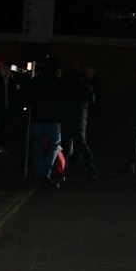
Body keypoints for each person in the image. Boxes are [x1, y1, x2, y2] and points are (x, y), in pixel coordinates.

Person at [26, 57, 64, 185]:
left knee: (36, 147)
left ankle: (36, 173)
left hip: (37, 118)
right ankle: (45, 172)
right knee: (53, 147)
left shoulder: (35, 82)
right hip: (53, 120)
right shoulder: (58, 83)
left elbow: (28, 98)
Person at [60, 62, 99, 181]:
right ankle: (92, 171)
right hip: (80, 121)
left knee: (64, 148)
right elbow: (92, 103)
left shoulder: (65, 87)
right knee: (83, 146)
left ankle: (62, 171)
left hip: (66, 121)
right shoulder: (86, 87)